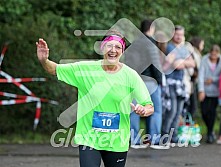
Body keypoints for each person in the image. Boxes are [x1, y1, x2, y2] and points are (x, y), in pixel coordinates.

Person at [36, 29, 154, 167]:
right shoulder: (86, 70)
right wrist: (44, 60)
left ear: (123, 51)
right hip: (89, 138)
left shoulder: (130, 75)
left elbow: (149, 106)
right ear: (102, 47)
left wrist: (144, 110)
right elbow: (54, 69)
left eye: (118, 47)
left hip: (117, 141)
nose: (113, 50)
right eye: (109, 45)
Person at [124, 20, 163, 149]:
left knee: (134, 110)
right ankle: (154, 139)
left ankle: (135, 140)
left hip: (134, 80)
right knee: (155, 110)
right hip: (150, 81)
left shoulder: (133, 43)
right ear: (152, 28)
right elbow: (155, 65)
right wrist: (160, 81)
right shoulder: (151, 43)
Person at [161, 25, 195, 144]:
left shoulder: (183, 48)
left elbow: (193, 63)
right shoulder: (169, 47)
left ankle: (174, 135)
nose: (179, 37)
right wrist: (183, 63)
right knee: (172, 110)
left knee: (179, 111)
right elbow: (176, 65)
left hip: (180, 83)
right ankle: (165, 135)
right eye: (177, 34)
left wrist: (182, 62)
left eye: (181, 34)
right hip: (171, 82)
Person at [198, 44, 221, 144]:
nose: (213, 56)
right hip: (205, 89)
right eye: (212, 54)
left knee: (212, 112)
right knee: (204, 112)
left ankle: (210, 133)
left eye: (215, 54)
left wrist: (212, 80)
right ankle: (210, 130)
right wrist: (201, 90)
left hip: (216, 90)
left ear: (218, 54)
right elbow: (201, 75)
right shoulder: (204, 60)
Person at [187, 37, 204, 117]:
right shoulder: (192, 53)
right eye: (202, 44)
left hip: (193, 82)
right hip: (190, 81)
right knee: (192, 106)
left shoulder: (197, 54)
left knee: (192, 106)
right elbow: (192, 69)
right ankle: (187, 125)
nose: (203, 47)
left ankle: (188, 124)